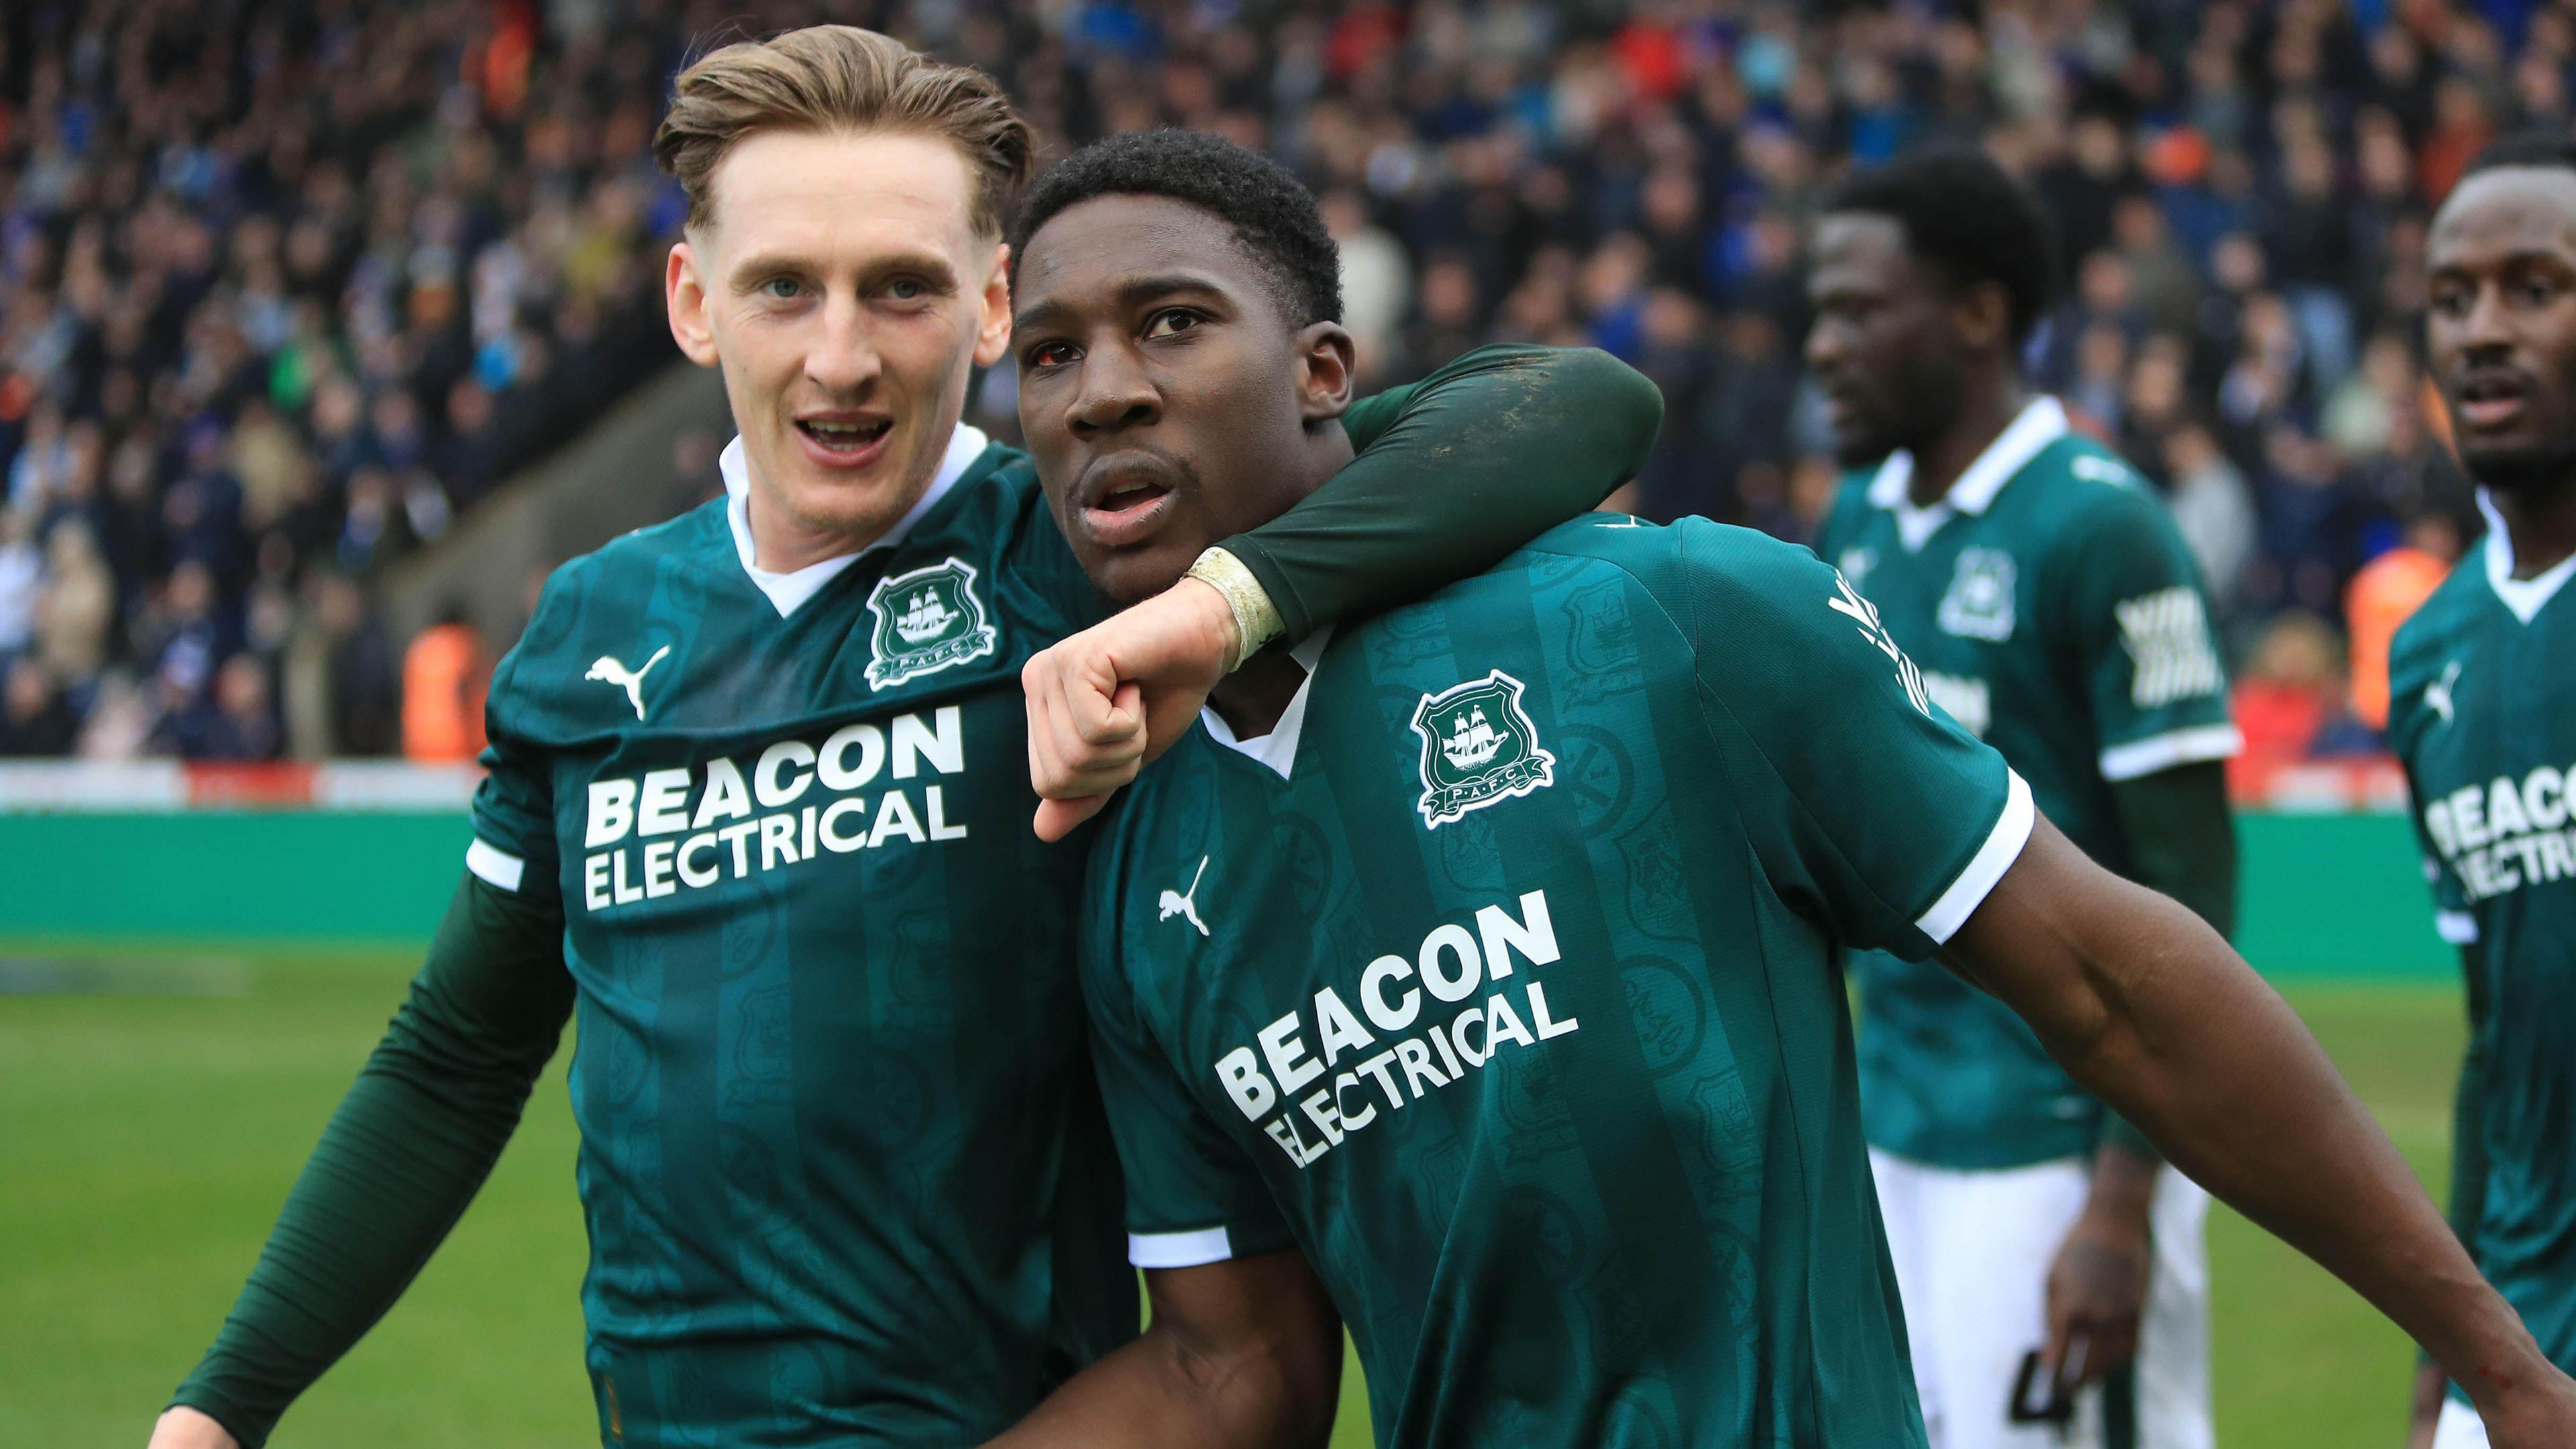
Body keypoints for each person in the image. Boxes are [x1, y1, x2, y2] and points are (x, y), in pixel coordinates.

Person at [147, 28, 1661, 1449]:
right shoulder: (590, 630)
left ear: (993, 305)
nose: (843, 356)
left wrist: (1213, 612)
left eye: (902, 289)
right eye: (784, 288)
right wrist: (222, 1407)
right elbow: (457, 1054)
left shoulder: (1085, 552)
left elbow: (1574, 403)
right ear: (692, 302)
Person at [995, 127, 2576, 1449]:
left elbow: (2110, 981)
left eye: (1174, 324)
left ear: (1326, 368)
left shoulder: (1666, 621)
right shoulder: (1133, 868)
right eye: (1050, 353)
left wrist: (2501, 1367)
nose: (1101, 392)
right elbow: (1235, 1362)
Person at [1804, 148, 2239, 1449]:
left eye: (1860, 313)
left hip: (2060, 1143)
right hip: (1897, 1122)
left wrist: (2123, 1204)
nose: (1822, 348)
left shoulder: (2102, 529)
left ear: (1979, 316)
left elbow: (2189, 887)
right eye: (1818, 313)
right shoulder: (1856, 524)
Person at [2392, 130, 2576, 1449]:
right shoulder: (2429, 655)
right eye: (2454, 299)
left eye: (2536, 287)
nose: (2483, 332)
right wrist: (2439, 1358)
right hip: (2514, 1351)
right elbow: (2492, 1044)